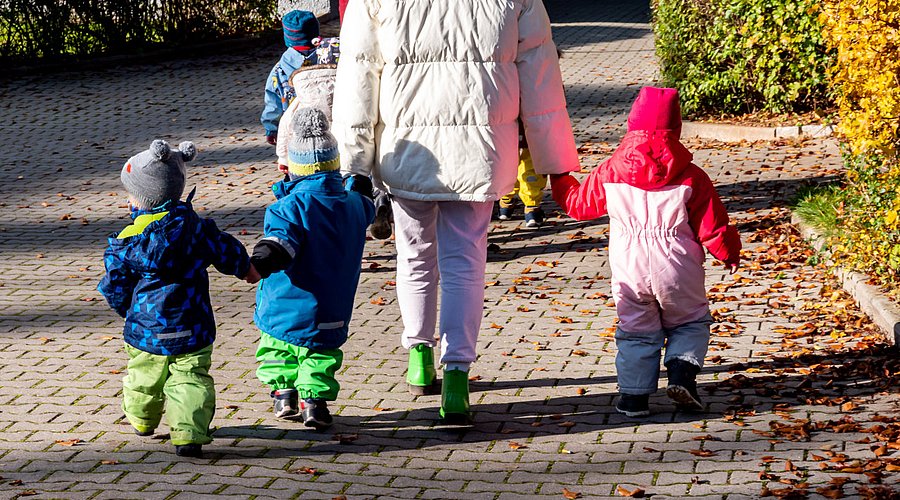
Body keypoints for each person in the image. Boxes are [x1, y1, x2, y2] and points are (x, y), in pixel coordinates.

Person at [332, 0, 580, 423]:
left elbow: (359, 75)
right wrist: (554, 162)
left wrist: (353, 163)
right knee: (466, 263)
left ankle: (419, 357)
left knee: (413, 256)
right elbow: (540, 78)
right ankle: (457, 379)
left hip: (409, 151)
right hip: (481, 150)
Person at [550, 87, 742, 418]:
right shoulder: (691, 176)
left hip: (630, 266)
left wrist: (559, 177)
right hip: (678, 266)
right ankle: (682, 374)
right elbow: (713, 224)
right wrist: (728, 252)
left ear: (631, 124)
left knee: (637, 329)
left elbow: (577, 205)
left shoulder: (610, 171)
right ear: (676, 128)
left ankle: (633, 398)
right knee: (690, 322)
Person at [98, 140, 256, 457]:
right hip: (193, 326)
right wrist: (247, 269)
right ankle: (188, 434)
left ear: (140, 200)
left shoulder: (128, 241)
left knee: (144, 376)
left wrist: (126, 310)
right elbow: (227, 249)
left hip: (146, 329)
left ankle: (142, 420)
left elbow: (115, 285)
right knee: (191, 377)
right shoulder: (198, 230)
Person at [251, 108, 374, 429]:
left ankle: (283, 394)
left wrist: (262, 260)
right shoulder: (353, 204)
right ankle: (315, 405)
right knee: (320, 355)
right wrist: (360, 186)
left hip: (284, 302)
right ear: (334, 164)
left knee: (278, 348)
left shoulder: (288, 207)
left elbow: (281, 241)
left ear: (294, 169)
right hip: (333, 305)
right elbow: (368, 207)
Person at [261, 10, 322, 146]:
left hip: (292, 127)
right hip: (327, 124)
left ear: (287, 38)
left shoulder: (279, 70)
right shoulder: (328, 59)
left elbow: (272, 99)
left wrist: (271, 128)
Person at [498, 125, 547, 228]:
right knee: (530, 158)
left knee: (507, 156)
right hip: (531, 118)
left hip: (501, 118)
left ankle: (505, 202)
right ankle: (531, 207)